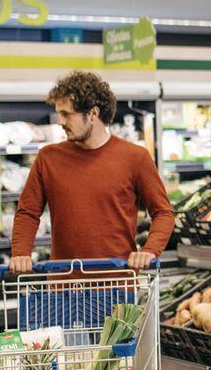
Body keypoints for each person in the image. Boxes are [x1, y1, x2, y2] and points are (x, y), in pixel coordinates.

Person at [9, 71, 173, 273]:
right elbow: (28, 213)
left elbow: (163, 212)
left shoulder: (135, 157)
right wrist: (20, 253)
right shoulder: (47, 158)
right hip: (63, 286)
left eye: (67, 114)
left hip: (116, 285)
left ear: (93, 114)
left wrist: (149, 250)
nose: (59, 121)